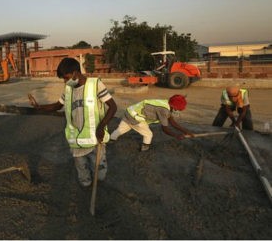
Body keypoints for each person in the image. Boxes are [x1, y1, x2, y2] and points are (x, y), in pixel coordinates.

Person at [28, 57, 117, 188]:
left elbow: (113, 107)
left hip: (95, 139)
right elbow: (58, 105)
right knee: (82, 172)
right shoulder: (69, 89)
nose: (65, 82)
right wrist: (39, 107)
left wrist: (101, 127)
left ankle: (99, 185)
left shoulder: (95, 85)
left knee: (100, 174)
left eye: (66, 77)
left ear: (75, 73)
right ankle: (86, 186)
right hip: (76, 141)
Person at [110, 95, 194, 151]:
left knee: (121, 129)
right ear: (173, 106)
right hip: (136, 117)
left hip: (130, 111)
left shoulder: (166, 104)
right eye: (178, 109)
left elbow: (172, 122)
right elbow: (165, 129)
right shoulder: (163, 110)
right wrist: (176, 135)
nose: (178, 111)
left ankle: (110, 140)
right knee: (148, 134)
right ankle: (144, 149)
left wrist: (185, 131)